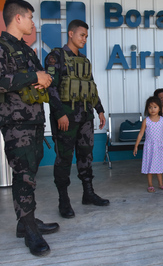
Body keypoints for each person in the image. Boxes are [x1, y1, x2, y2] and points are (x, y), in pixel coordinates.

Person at [0, 0, 58, 256]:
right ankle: (30, 232)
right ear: (18, 18)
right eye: (30, 17)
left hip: (34, 118)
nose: (32, 22)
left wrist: (44, 79)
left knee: (31, 171)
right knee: (24, 173)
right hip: (15, 121)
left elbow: (40, 78)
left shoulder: (26, 50)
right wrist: (33, 76)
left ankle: (25, 222)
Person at [45, 19, 109, 219]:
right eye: (82, 35)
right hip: (66, 116)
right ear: (71, 34)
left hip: (85, 116)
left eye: (87, 36)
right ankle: (63, 200)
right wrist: (59, 114)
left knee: (86, 155)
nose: (84, 39)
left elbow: (91, 86)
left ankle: (88, 193)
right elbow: (50, 87)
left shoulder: (84, 60)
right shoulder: (55, 57)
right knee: (64, 158)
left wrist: (99, 109)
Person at [133, 96, 163, 192]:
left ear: (159, 108)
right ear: (147, 109)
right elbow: (141, 133)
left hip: (160, 146)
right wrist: (136, 145)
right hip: (149, 147)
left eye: (155, 107)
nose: (152, 109)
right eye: (150, 107)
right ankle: (150, 185)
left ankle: (160, 184)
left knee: (160, 166)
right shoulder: (146, 121)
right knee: (149, 166)